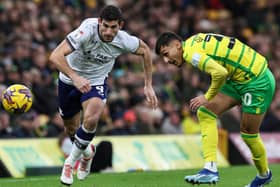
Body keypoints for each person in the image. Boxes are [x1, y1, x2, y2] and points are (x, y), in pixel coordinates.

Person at [49, 5, 158, 186]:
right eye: (105, 26)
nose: (108, 31)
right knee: (71, 130)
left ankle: (70, 164)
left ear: (120, 25)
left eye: (113, 27)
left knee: (92, 117)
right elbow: (55, 56)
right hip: (69, 81)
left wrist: (148, 85)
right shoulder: (86, 31)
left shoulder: (124, 40)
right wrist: (75, 77)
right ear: (99, 22)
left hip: (96, 82)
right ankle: (87, 152)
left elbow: (146, 50)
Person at [155, 32, 275, 187]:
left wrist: (207, 96)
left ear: (178, 45)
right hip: (239, 77)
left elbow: (220, 72)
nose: (166, 60)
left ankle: (264, 174)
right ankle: (210, 168)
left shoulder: (191, 53)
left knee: (248, 134)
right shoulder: (193, 41)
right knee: (205, 113)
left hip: (257, 81)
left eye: (166, 54)